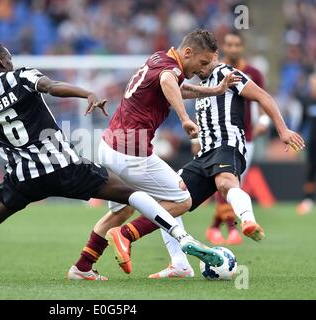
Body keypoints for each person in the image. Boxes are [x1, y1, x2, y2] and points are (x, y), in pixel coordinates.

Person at [0, 41, 224, 286]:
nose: (11, 61)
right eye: (9, 58)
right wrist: (85, 93)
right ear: (3, 62)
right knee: (131, 195)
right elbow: (51, 86)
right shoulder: (23, 77)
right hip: (63, 167)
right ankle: (181, 235)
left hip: (22, 178)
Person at [71, 53, 305, 280]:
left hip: (226, 146)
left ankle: (246, 220)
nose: (200, 69)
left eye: (205, 62)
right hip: (196, 154)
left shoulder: (228, 73)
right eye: (199, 64)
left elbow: (264, 97)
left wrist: (282, 129)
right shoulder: (191, 79)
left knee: (221, 184)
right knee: (173, 199)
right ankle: (176, 262)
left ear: (214, 55)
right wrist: (194, 133)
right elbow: (178, 90)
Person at [68, 29, 241, 280]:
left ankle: (82, 267)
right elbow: (168, 82)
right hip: (131, 152)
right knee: (182, 200)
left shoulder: (159, 58)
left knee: (122, 210)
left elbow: (177, 88)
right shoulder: (171, 70)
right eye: (202, 63)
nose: (202, 69)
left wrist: (214, 91)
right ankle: (127, 235)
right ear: (188, 52)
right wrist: (184, 118)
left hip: (110, 146)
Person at [206, 30, 269, 245]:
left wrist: (264, 121)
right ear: (224, 47)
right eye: (229, 45)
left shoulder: (253, 73)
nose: (233, 49)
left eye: (236, 45)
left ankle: (216, 227)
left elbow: (262, 100)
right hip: (220, 137)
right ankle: (231, 228)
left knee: (231, 184)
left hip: (246, 137)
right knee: (230, 184)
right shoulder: (216, 71)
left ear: (242, 47)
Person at [296, 73, 316, 215]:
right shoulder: (307, 101)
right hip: (313, 144)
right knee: (310, 170)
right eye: (312, 85)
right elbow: (302, 122)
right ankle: (308, 200)